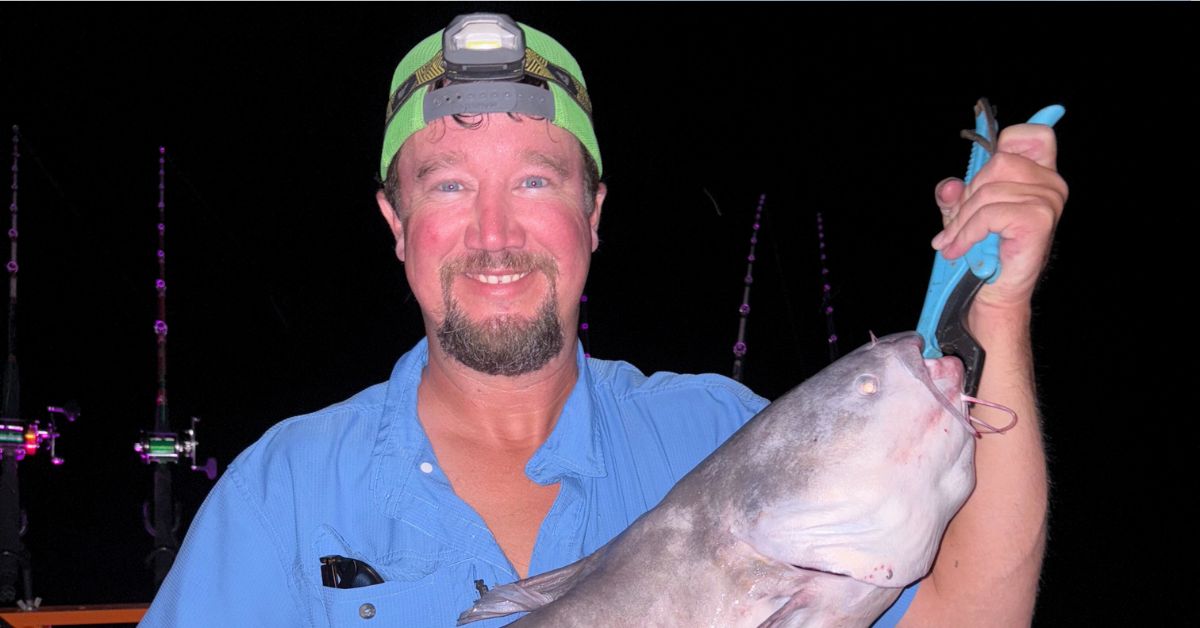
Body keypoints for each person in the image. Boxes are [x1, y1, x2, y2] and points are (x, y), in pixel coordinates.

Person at [142, 13, 1066, 627]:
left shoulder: (711, 430)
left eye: (536, 182)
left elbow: (971, 612)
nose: (494, 234)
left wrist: (999, 306)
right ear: (397, 226)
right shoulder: (285, 495)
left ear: (593, 214)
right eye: (450, 186)